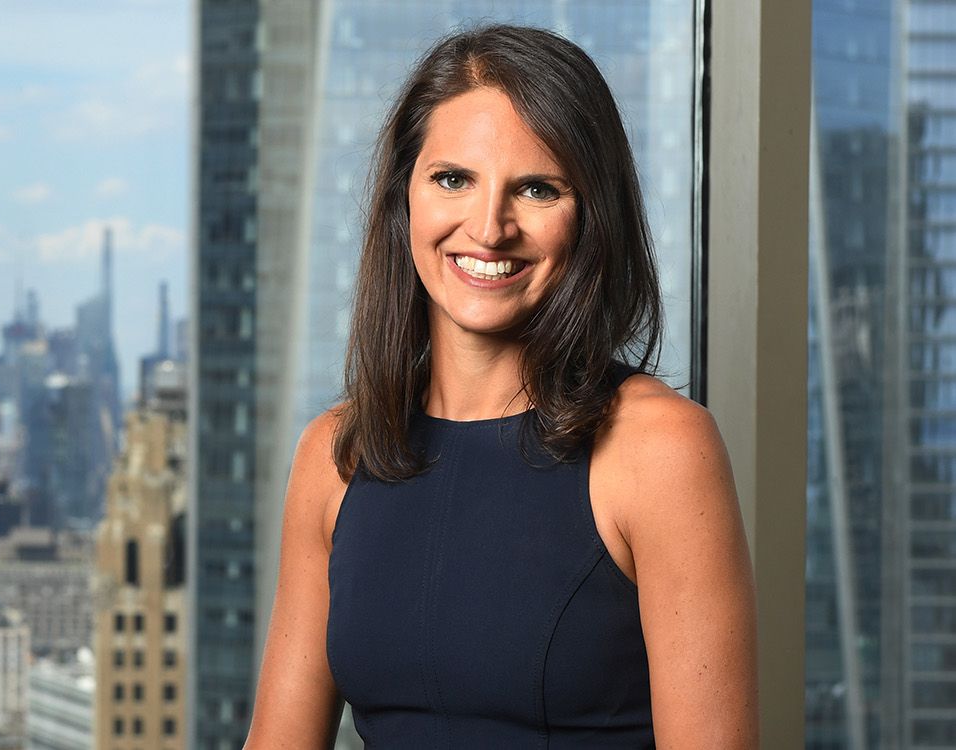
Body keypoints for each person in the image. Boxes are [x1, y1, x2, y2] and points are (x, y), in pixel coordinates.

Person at [244, 25, 758, 748]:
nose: (488, 227)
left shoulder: (661, 450)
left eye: (537, 189)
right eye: (453, 179)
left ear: (589, 218)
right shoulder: (336, 453)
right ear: (405, 199)